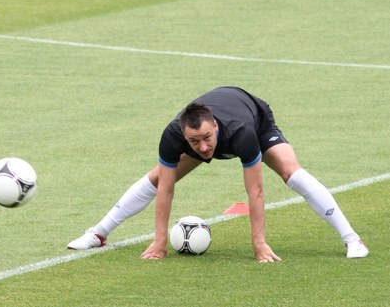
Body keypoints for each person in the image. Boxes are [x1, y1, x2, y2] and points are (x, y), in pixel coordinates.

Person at [67, 86, 369, 262]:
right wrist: (160, 241)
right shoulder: (174, 136)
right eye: (194, 141)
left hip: (255, 116)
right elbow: (166, 190)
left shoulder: (242, 133)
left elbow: (256, 192)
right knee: (159, 177)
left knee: (292, 173)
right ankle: (98, 233)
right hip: (216, 122)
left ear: (216, 128)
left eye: (207, 138)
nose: (203, 146)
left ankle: (352, 239)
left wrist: (259, 243)